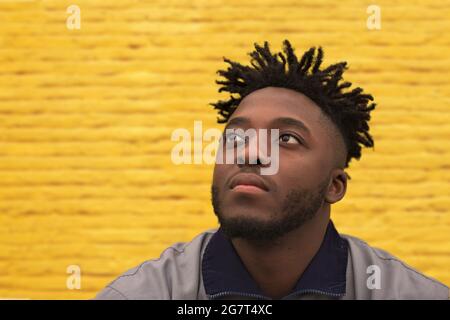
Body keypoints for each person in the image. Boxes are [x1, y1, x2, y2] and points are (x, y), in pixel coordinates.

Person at [94, 40, 449, 300]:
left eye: (288, 139)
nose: (250, 153)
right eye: (236, 137)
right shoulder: (144, 294)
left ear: (335, 185)